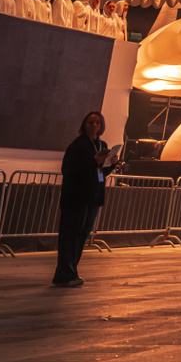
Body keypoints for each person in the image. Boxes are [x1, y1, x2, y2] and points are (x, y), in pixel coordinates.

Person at [53, 111, 116, 287]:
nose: (94, 125)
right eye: (90, 122)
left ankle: (72, 271)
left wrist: (111, 164)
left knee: (81, 237)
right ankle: (64, 275)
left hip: (92, 197)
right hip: (76, 198)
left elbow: (100, 172)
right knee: (71, 237)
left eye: (97, 122)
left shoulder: (101, 144)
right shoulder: (78, 145)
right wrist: (93, 162)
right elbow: (69, 170)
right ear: (84, 125)